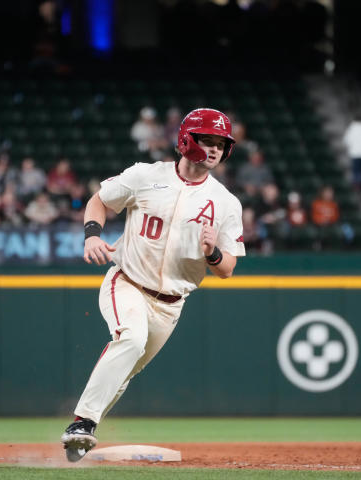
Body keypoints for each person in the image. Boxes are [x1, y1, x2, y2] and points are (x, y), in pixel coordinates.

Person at [61, 108, 245, 462]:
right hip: (127, 281)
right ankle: (82, 423)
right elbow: (99, 200)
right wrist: (91, 237)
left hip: (171, 303)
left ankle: (85, 430)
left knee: (126, 370)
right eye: (207, 140)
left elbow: (227, 269)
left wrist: (212, 253)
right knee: (129, 338)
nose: (214, 149)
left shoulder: (226, 203)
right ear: (186, 140)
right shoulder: (146, 176)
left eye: (221, 144)